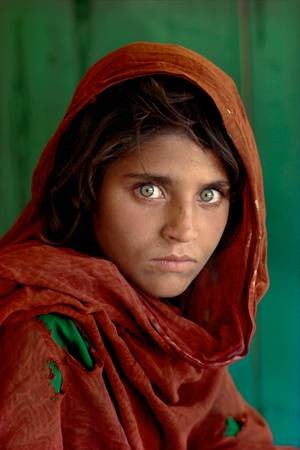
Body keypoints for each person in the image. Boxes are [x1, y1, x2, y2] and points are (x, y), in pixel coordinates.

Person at [0, 42, 296, 450]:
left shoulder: (172, 329)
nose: (184, 230)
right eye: (149, 189)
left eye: (210, 195)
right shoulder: (39, 332)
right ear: (84, 189)